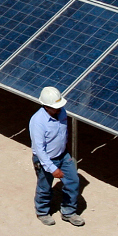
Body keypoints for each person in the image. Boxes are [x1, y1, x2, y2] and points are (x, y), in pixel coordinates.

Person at [29, 86, 83, 226]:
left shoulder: (61, 112)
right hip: (46, 160)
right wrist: (52, 168)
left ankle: (69, 212)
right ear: (46, 106)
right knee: (45, 187)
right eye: (55, 107)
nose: (59, 109)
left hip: (63, 155)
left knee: (73, 182)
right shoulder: (38, 122)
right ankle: (42, 212)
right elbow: (39, 150)